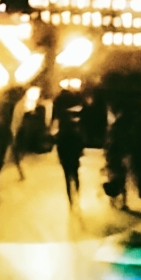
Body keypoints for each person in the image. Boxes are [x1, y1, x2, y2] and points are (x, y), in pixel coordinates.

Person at [55, 88, 84, 219]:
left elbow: (59, 146)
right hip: (73, 157)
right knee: (75, 176)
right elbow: (79, 143)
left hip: (66, 158)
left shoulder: (62, 134)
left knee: (68, 178)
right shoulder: (75, 132)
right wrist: (79, 153)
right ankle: (77, 196)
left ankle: (71, 201)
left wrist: (60, 158)